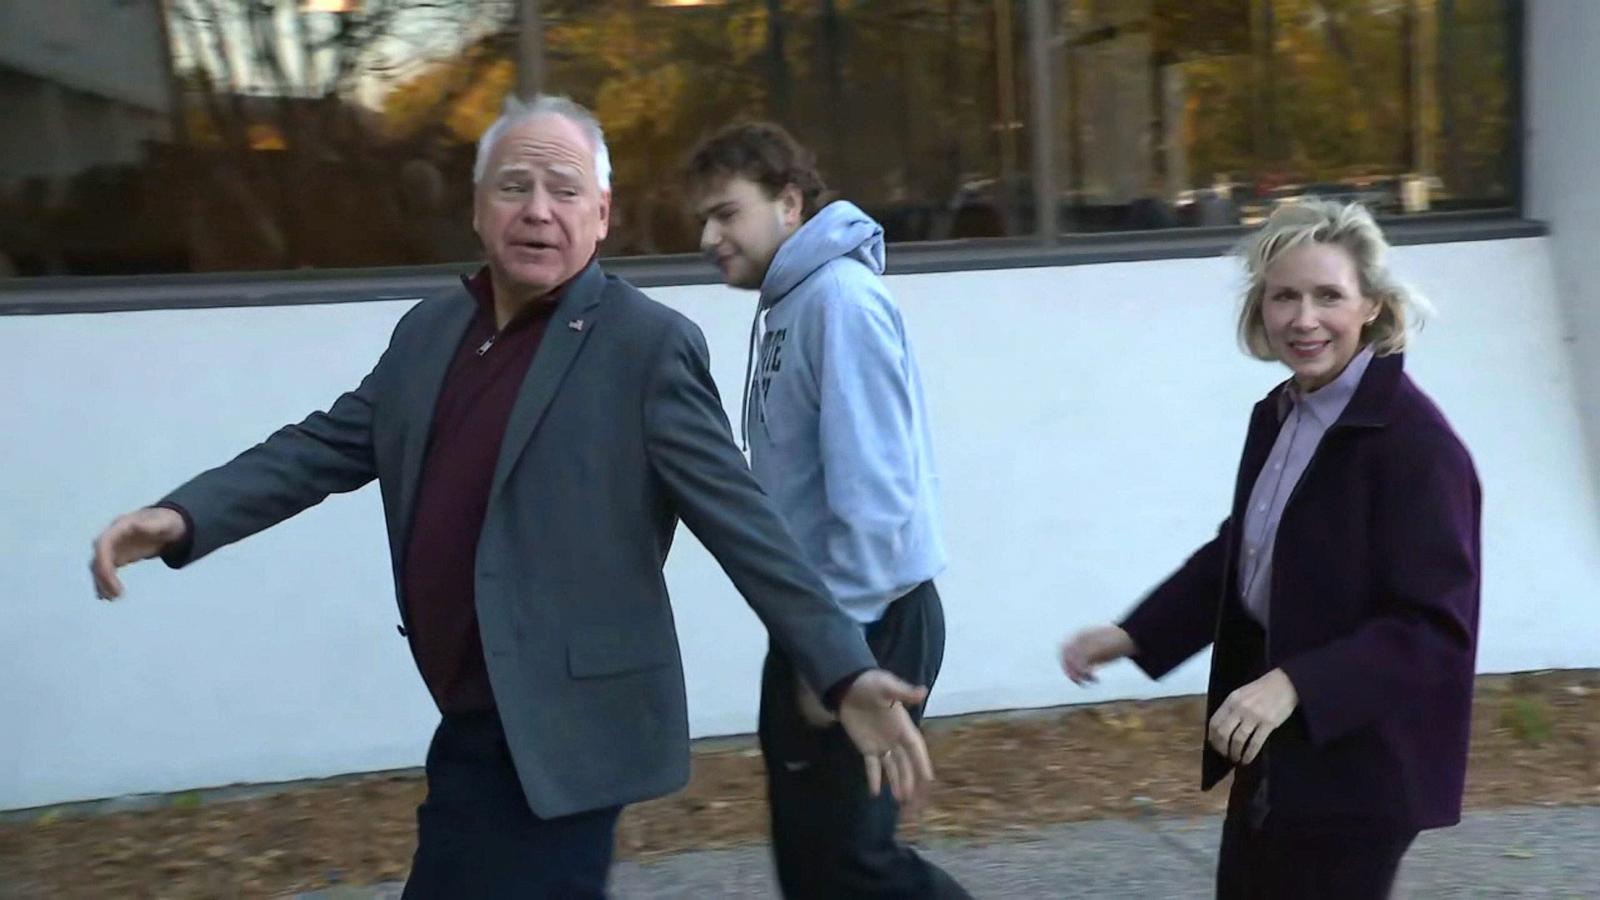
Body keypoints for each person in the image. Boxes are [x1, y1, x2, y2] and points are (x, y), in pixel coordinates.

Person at [88, 95, 934, 899]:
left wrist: (842, 665)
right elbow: (324, 446)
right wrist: (184, 516)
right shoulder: (430, 332)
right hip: (471, 712)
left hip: (569, 727)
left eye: (566, 191)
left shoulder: (643, 348)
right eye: (515, 187)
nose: (539, 210)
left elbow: (745, 522)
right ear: (478, 209)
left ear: (600, 216)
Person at [1059, 200, 1481, 899]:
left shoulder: (1416, 446)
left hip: (1360, 759)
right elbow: (1246, 553)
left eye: (1328, 296)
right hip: (1277, 741)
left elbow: (1434, 630)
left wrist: (1294, 686)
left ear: (1371, 305)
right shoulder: (1284, 412)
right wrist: (1135, 633)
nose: (1303, 319)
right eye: (1284, 295)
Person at [686, 122, 969, 900]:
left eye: (726, 213)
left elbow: (876, 494)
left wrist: (839, 659)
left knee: (851, 865)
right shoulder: (789, 302)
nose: (710, 236)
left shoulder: (839, 300)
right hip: (823, 622)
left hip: (868, 620)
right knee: (816, 866)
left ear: (787, 201)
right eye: (703, 219)